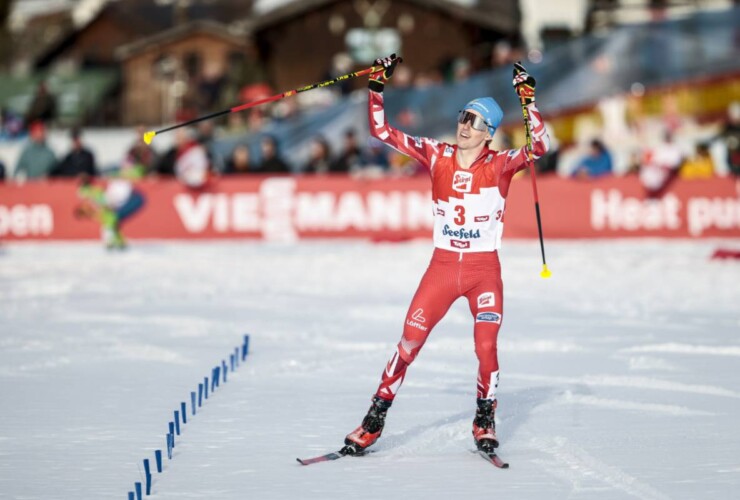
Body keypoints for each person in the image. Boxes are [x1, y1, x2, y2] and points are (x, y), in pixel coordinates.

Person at [341, 55, 549, 456]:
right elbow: (381, 131)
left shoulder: (501, 165)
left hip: (482, 270)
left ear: (488, 131)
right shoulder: (436, 154)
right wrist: (377, 87)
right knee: (408, 343)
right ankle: (374, 420)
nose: (463, 124)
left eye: (473, 120)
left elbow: (539, 146)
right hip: (441, 268)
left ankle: (484, 419)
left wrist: (528, 102)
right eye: (462, 116)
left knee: (486, 346)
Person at [75, 174, 145, 250]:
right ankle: (118, 242)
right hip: (106, 211)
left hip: (106, 212)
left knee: (110, 226)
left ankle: (112, 242)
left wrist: (103, 207)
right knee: (112, 226)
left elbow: (99, 201)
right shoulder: (93, 191)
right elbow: (98, 201)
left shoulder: (89, 192)